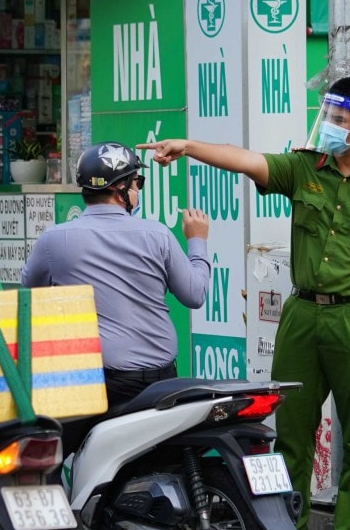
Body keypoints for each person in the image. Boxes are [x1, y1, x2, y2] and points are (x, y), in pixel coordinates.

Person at [140, 76, 350, 530]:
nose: (330, 127)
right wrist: (187, 146)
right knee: (290, 432)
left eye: (341, 120)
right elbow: (245, 158)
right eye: (329, 116)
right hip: (301, 316)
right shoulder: (303, 168)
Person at [22, 142, 211, 410]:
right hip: (158, 382)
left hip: (92, 382)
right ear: (118, 187)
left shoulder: (53, 240)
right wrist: (197, 240)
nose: (138, 190)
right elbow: (195, 294)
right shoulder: (157, 235)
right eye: (138, 182)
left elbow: (31, 293)